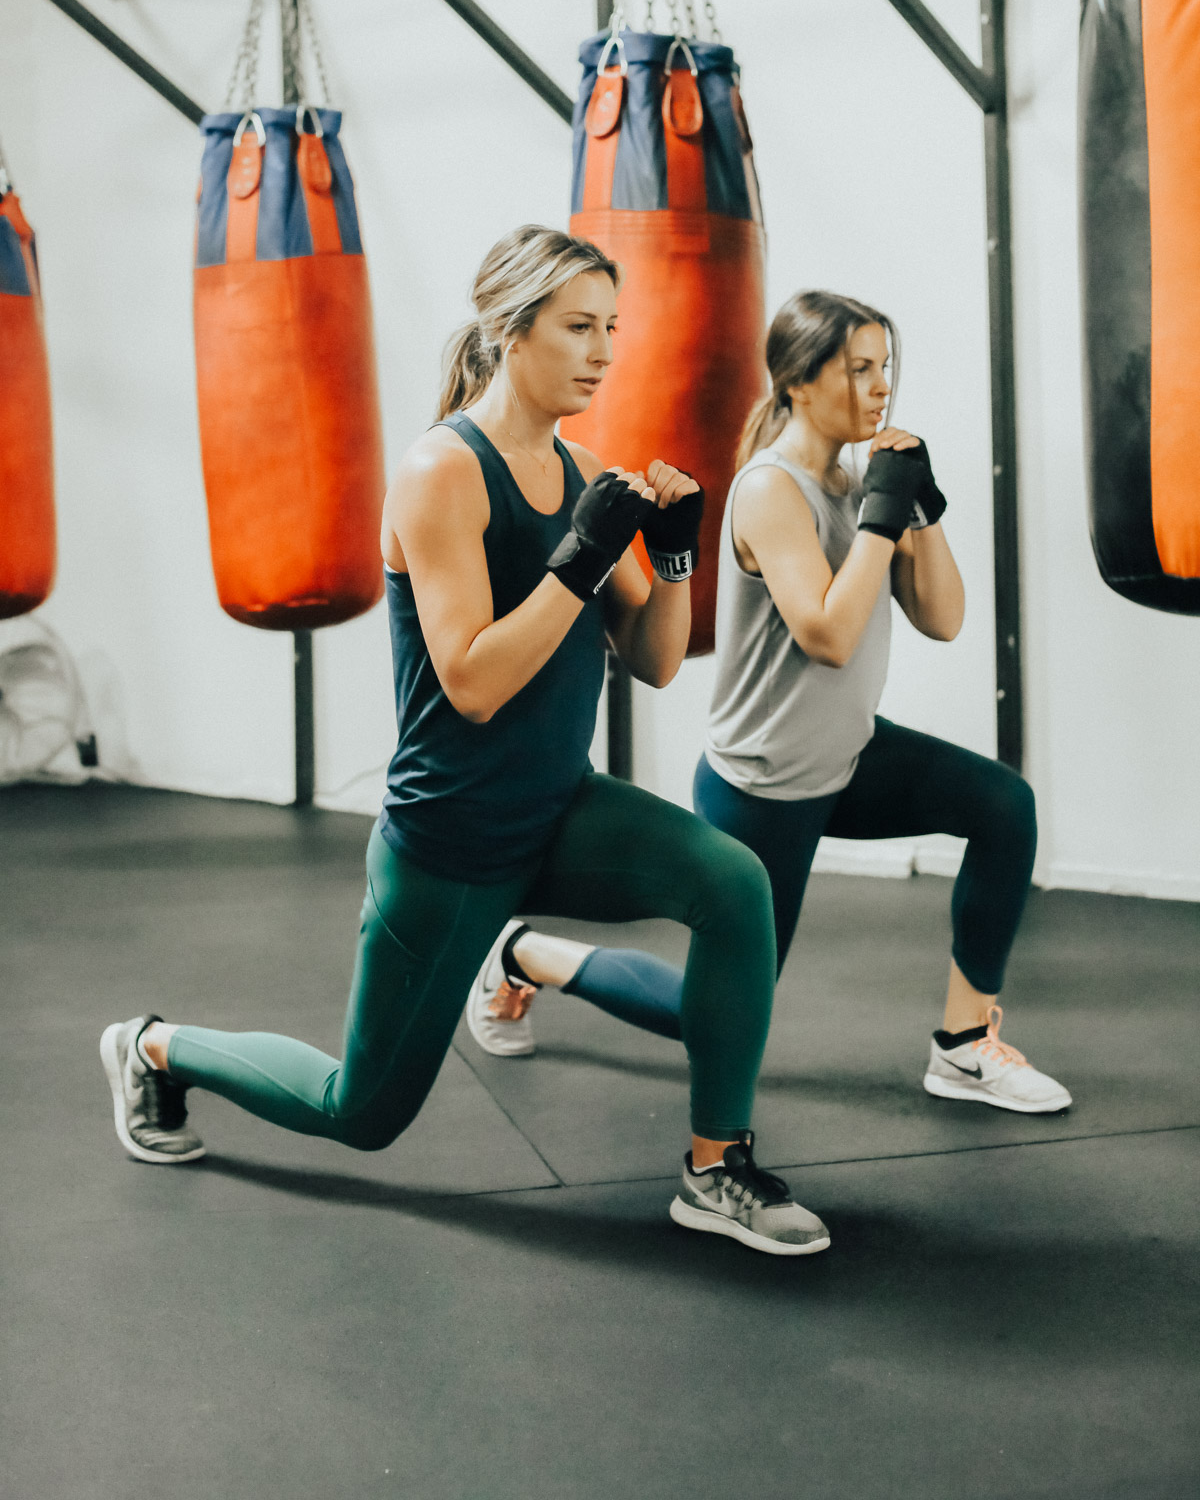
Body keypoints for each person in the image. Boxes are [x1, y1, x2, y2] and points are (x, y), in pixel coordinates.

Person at [100, 227, 830, 1258]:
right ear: (510, 329)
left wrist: (674, 555)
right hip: (451, 838)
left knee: (734, 884)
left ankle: (716, 1168)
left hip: (559, 810)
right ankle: (155, 1048)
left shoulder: (579, 465)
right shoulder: (442, 471)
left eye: (612, 329)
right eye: (579, 327)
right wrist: (579, 559)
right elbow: (475, 683)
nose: (603, 351)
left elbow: (657, 661)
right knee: (363, 1112)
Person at [467, 289, 1072, 1117]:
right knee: (707, 1014)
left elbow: (944, 617)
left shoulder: (865, 481)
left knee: (1005, 807)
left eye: (884, 368)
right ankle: (525, 953)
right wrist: (881, 518)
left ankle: (963, 1047)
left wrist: (917, 505)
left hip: (848, 755)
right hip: (765, 785)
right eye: (858, 369)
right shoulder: (769, 490)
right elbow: (826, 630)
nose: (879, 387)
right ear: (798, 381)